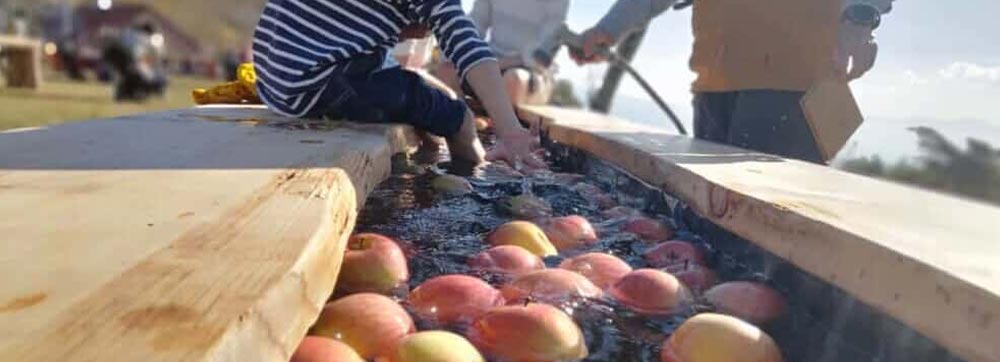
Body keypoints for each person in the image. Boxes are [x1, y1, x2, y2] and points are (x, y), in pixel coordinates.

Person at [574, 0, 893, 163]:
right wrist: (609, 28)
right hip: (714, 87)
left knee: (775, 232)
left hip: (792, 87)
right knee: (713, 219)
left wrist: (860, 18)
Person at [251, 0, 543, 169]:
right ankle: (470, 182)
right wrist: (510, 131)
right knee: (460, 119)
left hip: (277, 85)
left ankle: (429, 162)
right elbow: (469, 47)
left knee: (430, 97)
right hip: (320, 84)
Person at [433, 0, 570, 107]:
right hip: (489, 62)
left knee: (513, 80)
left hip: (532, 71)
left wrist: (493, 64)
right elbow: (474, 24)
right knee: (447, 71)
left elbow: (543, 52)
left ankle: (506, 132)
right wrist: (455, 55)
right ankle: (462, 126)